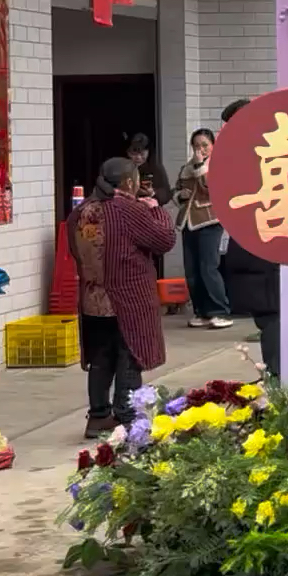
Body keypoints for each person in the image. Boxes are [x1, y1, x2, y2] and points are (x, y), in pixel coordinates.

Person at [68, 157, 177, 437]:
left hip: (93, 299)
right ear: (129, 182)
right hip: (128, 297)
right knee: (130, 355)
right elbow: (164, 239)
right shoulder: (129, 210)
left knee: (101, 358)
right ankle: (127, 415)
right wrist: (156, 209)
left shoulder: (80, 211)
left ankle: (98, 416)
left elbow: (75, 250)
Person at [218, 98, 281, 377]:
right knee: (271, 318)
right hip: (256, 249)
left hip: (266, 247)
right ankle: (279, 380)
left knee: (273, 319)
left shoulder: (259, 153)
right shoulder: (240, 156)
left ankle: (280, 379)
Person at [174, 128, 232, 329]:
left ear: (213, 146)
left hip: (210, 221)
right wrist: (180, 195)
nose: (201, 149)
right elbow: (177, 190)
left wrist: (200, 166)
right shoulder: (186, 167)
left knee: (208, 267)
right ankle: (202, 311)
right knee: (192, 270)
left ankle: (220, 311)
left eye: (205, 145)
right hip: (188, 222)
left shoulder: (218, 165)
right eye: (196, 145)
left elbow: (211, 188)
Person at [126, 134, 170, 277]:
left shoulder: (155, 168)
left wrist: (153, 193)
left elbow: (166, 194)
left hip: (149, 218)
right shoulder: (123, 169)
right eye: (134, 153)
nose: (138, 157)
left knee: (150, 257)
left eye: (142, 153)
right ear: (128, 152)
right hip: (128, 217)